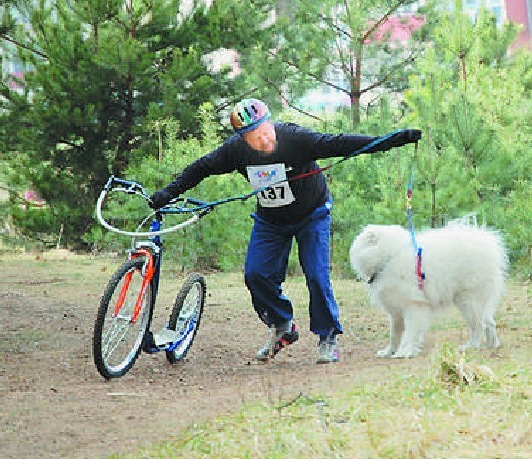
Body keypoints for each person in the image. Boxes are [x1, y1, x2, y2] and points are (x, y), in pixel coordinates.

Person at [149, 98, 421, 364]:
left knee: (316, 274)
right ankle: (282, 325)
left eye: (266, 132)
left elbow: (339, 143)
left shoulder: (295, 138)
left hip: (312, 214)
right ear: (244, 139)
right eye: (255, 138)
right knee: (255, 275)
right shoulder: (234, 151)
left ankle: (327, 336)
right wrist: (168, 193)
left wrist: (393, 139)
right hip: (272, 221)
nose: (264, 141)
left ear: (271, 124)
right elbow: (201, 168)